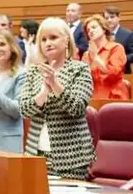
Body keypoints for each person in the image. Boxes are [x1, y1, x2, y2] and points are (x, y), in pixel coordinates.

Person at [19, 17, 95, 179]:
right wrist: (43, 92)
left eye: (53, 38)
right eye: (43, 39)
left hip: (72, 158)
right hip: (35, 154)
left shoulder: (80, 69)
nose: (48, 43)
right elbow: (24, 110)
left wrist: (54, 83)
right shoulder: (33, 71)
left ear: (66, 40)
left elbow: (77, 108)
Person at [82, 14, 128, 100]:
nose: (91, 31)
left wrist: (96, 58)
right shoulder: (86, 55)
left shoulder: (116, 48)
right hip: (93, 98)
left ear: (103, 29)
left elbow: (113, 73)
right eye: (88, 30)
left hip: (114, 97)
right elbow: (83, 79)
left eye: (94, 27)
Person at [102, 6, 133, 72]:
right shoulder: (102, 34)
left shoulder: (128, 34)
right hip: (104, 72)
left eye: (112, 17)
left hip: (123, 73)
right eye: (106, 18)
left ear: (119, 17)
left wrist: (120, 58)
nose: (109, 20)